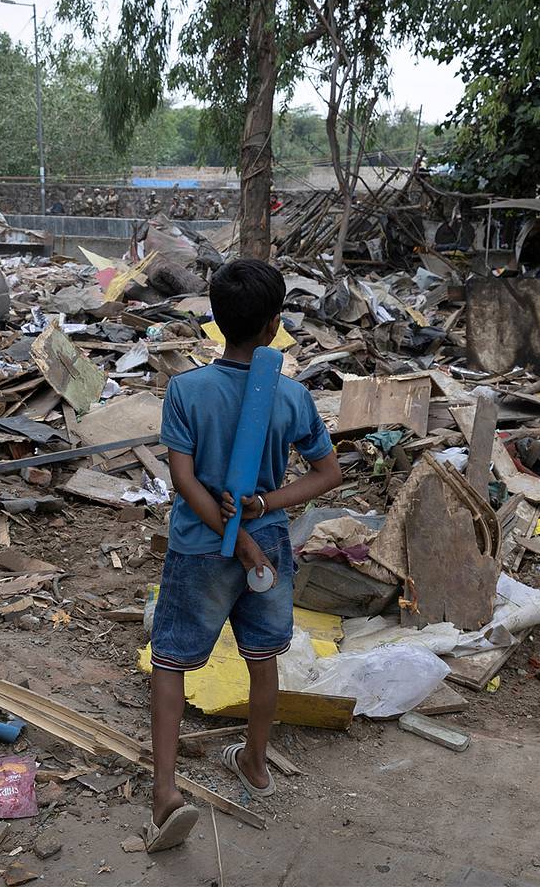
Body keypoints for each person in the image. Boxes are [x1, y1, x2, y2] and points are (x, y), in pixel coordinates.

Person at [146, 259, 343, 852]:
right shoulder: (291, 396)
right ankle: (255, 763)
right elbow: (327, 473)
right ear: (273, 325)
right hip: (271, 546)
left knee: (172, 663)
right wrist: (263, 507)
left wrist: (239, 523)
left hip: (199, 548)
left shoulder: (186, 390)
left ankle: (164, 794)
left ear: (214, 319)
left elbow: (184, 480)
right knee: (262, 659)